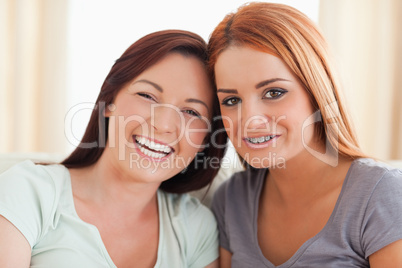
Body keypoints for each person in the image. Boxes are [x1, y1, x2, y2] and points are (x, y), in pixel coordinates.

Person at [0, 30, 227, 268]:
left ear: (206, 139)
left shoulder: (196, 227)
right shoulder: (29, 192)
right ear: (109, 102)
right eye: (147, 95)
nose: (163, 124)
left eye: (191, 112)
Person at [207, 2, 402, 267]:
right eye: (231, 100)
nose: (250, 121)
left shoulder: (382, 194)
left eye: (273, 92)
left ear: (317, 91)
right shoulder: (232, 199)